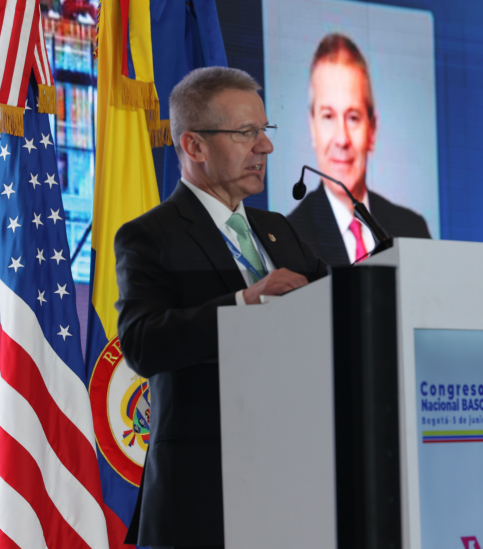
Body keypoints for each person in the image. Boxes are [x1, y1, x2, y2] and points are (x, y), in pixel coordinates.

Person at [116, 66, 329, 548]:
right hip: (204, 496)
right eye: (246, 133)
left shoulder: (280, 229)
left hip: (297, 487)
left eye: (265, 131)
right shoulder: (151, 236)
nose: (265, 148)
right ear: (194, 146)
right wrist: (242, 303)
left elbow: (338, 306)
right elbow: (142, 342)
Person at [286, 33, 431, 266]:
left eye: (353, 118)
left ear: (372, 130)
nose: (341, 139)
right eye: (328, 116)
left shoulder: (412, 229)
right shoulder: (292, 236)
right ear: (312, 127)